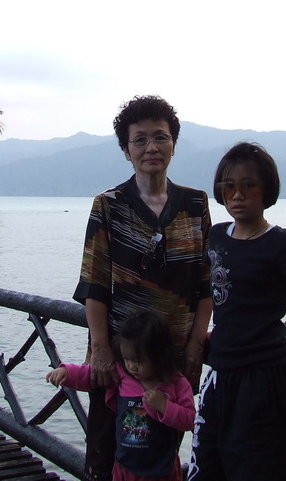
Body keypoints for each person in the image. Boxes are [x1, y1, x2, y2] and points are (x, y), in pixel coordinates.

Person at [73, 95, 212, 481]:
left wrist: (195, 346)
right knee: (108, 454)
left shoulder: (195, 204)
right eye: (140, 140)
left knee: (163, 457)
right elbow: (94, 284)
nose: (151, 147)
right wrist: (101, 350)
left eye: (160, 137)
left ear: (174, 145)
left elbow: (205, 284)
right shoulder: (109, 205)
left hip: (173, 363)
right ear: (126, 150)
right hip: (121, 362)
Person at [188, 142, 286, 481]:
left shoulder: (280, 243)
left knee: (256, 469)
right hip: (219, 372)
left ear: (266, 189)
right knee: (206, 466)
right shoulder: (217, 236)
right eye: (229, 186)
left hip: (262, 378)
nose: (237, 195)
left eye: (248, 185)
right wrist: (204, 335)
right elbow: (212, 293)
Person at [47, 310, 196, 481]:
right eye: (127, 359)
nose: (131, 366)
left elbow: (189, 420)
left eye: (138, 361)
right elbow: (89, 374)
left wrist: (165, 407)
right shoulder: (123, 374)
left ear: (160, 355)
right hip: (125, 467)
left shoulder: (176, 383)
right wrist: (66, 372)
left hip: (162, 470)